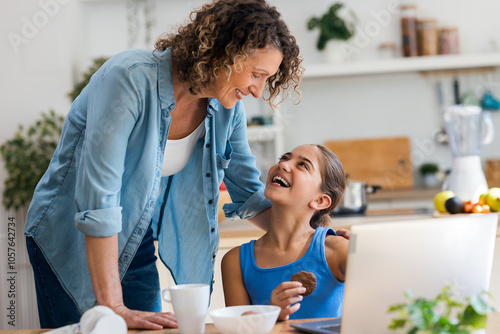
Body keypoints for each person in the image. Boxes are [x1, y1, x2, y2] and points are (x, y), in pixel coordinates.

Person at [24, 0, 303, 329]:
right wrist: (113, 306)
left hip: (136, 236)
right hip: (70, 236)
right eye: (256, 74)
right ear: (223, 53)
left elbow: (250, 197)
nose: (258, 90)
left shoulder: (228, 108)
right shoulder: (128, 79)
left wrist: (315, 236)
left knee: (154, 327)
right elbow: (99, 199)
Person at [221, 144, 348, 320]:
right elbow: (239, 330)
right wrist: (270, 315)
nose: (283, 165)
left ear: (319, 200)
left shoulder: (337, 251)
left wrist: (364, 247)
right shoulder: (235, 261)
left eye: (303, 165)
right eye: (285, 158)